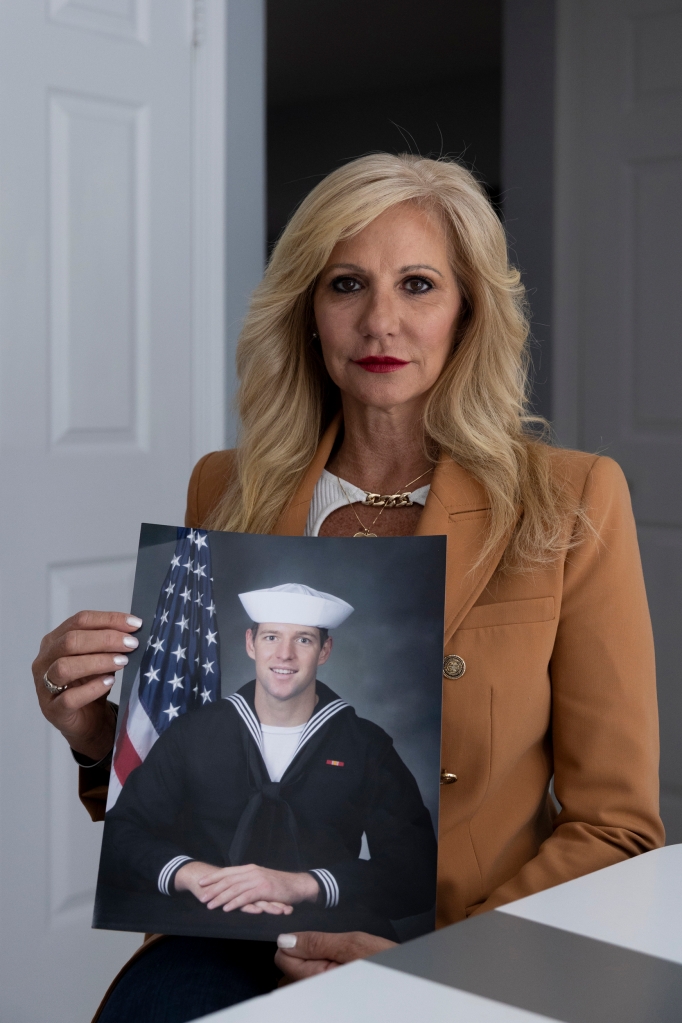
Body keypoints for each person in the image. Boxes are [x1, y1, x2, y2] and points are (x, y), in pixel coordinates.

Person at [32, 153, 664, 1022]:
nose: (380, 322)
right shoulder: (226, 484)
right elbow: (179, 794)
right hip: (228, 944)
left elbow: (617, 830)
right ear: (309, 311)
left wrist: (437, 958)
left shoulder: (574, 497)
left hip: (461, 943)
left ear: (467, 310)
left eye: (417, 285)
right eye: (346, 284)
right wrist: (96, 735)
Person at [98, 583, 437, 942]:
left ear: (325, 650)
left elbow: (415, 872)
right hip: (199, 929)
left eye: (304, 640)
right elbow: (122, 836)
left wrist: (303, 885)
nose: (285, 654)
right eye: (272, 637)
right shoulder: (193, 733)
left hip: (328, 930)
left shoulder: (366, 745)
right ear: (250, 643)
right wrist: (197, 877)